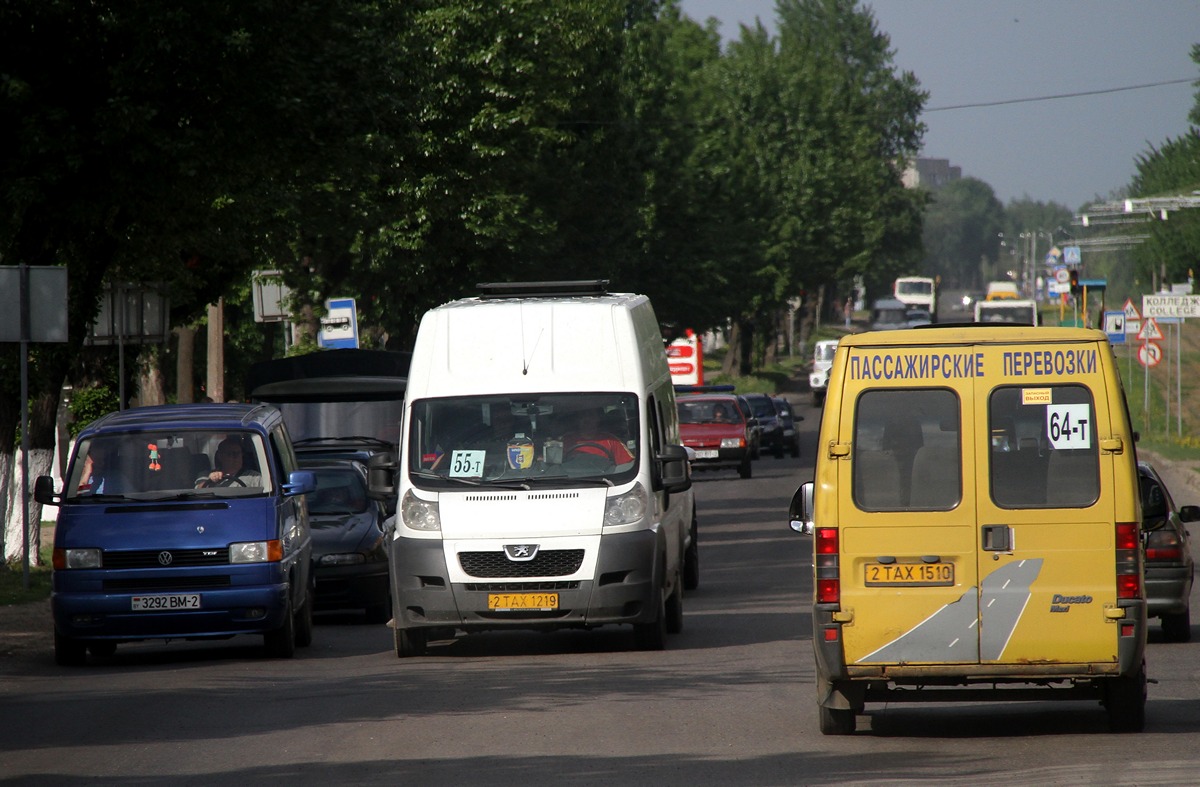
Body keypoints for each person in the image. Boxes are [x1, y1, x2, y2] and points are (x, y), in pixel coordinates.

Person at [563, 409, 634, 465]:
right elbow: (554, 466)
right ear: (578, 420)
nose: (587, 419)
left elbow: (628, 465)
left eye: (591, 415)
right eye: (583, 416)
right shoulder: (566, 440)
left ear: (598, 419)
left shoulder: (611, 440)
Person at [196, 437, 262, 488]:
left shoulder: (255, 477)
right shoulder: (205, 475)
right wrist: (210, 480)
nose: (234, 457)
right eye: (229, 454)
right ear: (220, 456)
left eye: (237, 453)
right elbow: (197, 493)